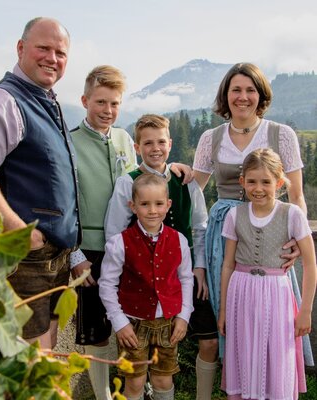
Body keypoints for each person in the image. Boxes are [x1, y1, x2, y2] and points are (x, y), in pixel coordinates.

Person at [70, 69, 194, 400]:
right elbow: (65, 200)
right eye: (100, 102)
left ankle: (145, 385)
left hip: (137, 251)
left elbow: (147, 173)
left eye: (114, 103)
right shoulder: (69, 142)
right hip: (93, 249)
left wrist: (175, 167)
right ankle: (103, 395)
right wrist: (74, 252)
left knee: (136, 323)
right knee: (97, 331)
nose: (108, 110)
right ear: (85, 101)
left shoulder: (125, 138)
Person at [193, 62, 314, 365]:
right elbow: (195, 190)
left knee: (273, 313)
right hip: (225, 234)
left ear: (261, 96)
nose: (243, 97)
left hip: (271, 230)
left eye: (250, 90)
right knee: (231, 308)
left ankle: (274, 377)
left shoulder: (280, 134)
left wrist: (297, 240)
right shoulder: (211, 137)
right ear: (226, 95)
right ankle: (239, 377)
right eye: (236, 90)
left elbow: (296, 194)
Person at [105, 114, 219, 400]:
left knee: (167, 368)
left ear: (170, 143)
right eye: (148, 143)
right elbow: (114, 233)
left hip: (181, 277)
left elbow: (200, 227)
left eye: (161, 142)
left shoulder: (186, 182)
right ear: (136, 146)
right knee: (136, 376)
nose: (155, 148)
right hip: (138, 283)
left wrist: (200, 267)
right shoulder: (126, 183)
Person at [0, 17, 80, 349]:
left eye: (60, 52)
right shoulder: (3, 99)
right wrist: (21, 233)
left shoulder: (47, 100)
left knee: (46, 351)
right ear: (21, 48)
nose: (52, 58)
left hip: (55, 257)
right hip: (26, 258)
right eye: (43, 48)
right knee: (27, 358)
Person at [218, 148, 316, 400]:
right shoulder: (234, 215)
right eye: (251, 181)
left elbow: (310, 263)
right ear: (242, 182)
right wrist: (223, 310)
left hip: (277, 294)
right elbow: (227, 265)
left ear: (279, 182)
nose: (258, 188)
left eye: (266, 181)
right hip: (241, 293)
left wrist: (305, 310)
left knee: (276, 350)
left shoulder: (291, 214)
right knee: (244, 351)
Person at [99, 173, 194, 400]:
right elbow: (107, 285)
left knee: (163, 378)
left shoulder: (178, 240)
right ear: (133, 206)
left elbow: (186, 279)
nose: (152, 210)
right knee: (135, 381)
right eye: (144, 204)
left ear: (168, 204)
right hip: (133, 324)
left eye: (159, 204)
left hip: (168, 324)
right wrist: (120, 323)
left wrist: (184, 316)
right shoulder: (119, 243)